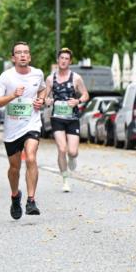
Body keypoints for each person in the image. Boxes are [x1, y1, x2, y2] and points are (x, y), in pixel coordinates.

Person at [0, 41, 47, 219]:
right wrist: (12, 95)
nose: (23, 55)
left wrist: (41, 100)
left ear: (29, 56)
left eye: (26, 52)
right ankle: (15, 196)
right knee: (14, 168)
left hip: (32, 124)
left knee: (31, 157)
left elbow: (43, 90)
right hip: (12, 129)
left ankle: (31, 200)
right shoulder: (6, 77)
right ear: (13, 57)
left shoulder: (38, 74)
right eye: (19, 53)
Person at [46, 48, 89, 192]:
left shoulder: (76, 78)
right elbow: (44, 97)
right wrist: (48, 100)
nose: (63, 60)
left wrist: (77, 101)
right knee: (62, 148)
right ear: (57, 60)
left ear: (70, 62)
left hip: (72, 118)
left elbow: (85, 95)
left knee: (72, 151)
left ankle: (72, 158)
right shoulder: (50, 79)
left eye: (66, 58)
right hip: (57, 118)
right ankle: (65, 180)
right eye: (61, 58)